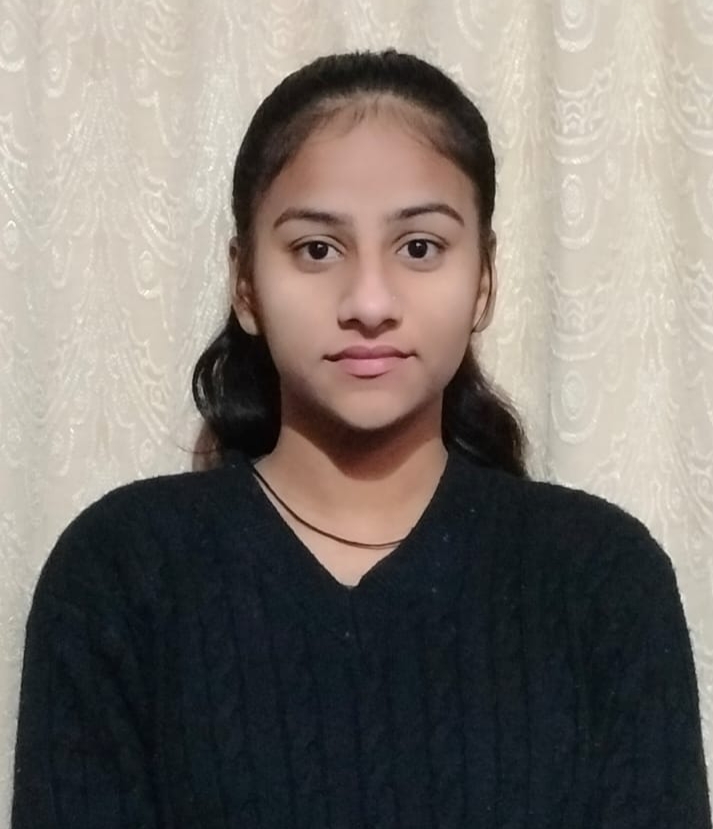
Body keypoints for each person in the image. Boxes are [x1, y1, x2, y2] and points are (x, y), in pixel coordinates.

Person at [11, 49, 711, 829]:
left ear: (483, 279)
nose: (370, 302)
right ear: (244, 283)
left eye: (419, 247)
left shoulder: (601, 579)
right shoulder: (122, 572)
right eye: (316, 249)